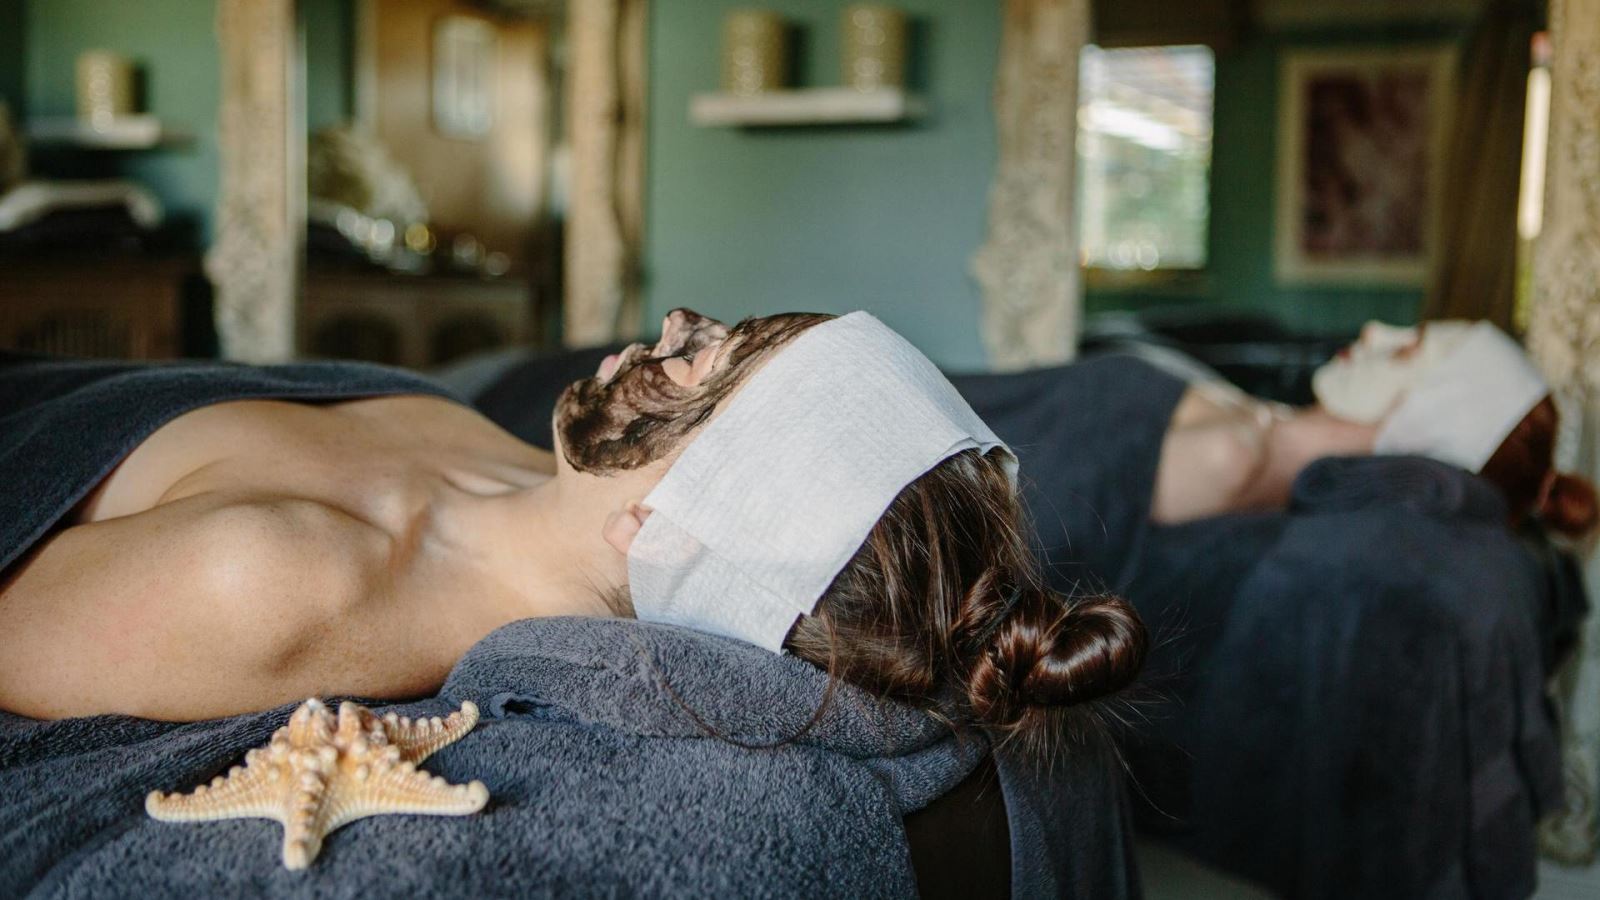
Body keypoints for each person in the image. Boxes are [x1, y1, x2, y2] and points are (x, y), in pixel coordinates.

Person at [0, 309, 1146, 746]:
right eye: (726, 328)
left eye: (704, 361)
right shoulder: (513, 470)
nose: (676, 321)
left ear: (653, 526)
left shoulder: (278, 582)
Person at [1150, 319, 1599, 535]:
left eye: (1408, 349)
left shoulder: (1228, 456)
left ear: (1421, 417)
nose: (1373, 332)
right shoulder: (1249, 429)